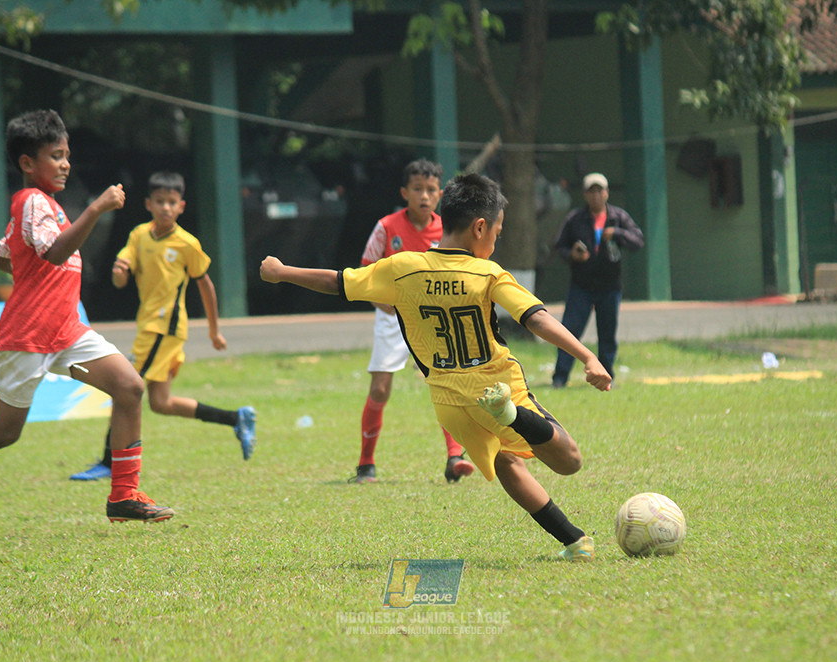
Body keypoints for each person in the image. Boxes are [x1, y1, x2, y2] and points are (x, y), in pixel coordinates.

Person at [260, 173, 612, 561]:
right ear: (480, 228)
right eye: (497, 231)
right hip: (497, 386)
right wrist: (587, 356)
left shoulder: (402, 268)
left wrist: (282, 271)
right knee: (570, 461)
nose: (496, 241)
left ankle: (574, 541)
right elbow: (536, 318)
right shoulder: (488, 273)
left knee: (506, 461)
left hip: (449, 402)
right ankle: (512, 415)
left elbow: (337, 282)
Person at [0, 109, 173, 541]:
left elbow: (6, 255)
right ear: (26, 163)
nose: (65, 163)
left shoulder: (43, 206)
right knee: (3, 432)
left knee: (130, 386)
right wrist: (97, 206)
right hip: (29, 334)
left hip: (66, 329)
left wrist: (23, 259)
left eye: (66, 155)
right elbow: (55, 253)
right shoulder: (32, 201)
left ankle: (124, 495)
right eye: (55, 155)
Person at [70, 171, 256, 481]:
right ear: (148, 204)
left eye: (172, 203)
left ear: (181, 206)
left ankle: (108, 462)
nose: (166, 208)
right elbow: (120, 278)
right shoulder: (139, 236)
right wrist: (119, 271)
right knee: (161, 403)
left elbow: (205, 285)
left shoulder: (187, 244)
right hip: (148, 327)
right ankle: (237, 418)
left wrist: (214, 330)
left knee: (124, 387)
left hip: (164, 330)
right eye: (160, 202)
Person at [351, 158, 474, 485]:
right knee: (379, 390)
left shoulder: (447, 230)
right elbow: (366, 272)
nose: (424, 195)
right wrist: (382, 301)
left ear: (440, 194)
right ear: (405, 192)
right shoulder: (387, 227)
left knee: (444, 383)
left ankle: (454, 458)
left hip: (433, 320)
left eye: (431, 190)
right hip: (393, 319)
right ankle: (366, 464)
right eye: (417, 189)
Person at [551, 172, 644, 388]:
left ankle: (606, 377)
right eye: (591, 191)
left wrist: (616, 234)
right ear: (584, 194)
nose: (596, 195)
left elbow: (638, 240)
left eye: (599, 190)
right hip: (581, 287)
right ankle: (559, 378)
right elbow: (560, 245)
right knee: (569, 333)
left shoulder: (618, 217)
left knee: (607, 335)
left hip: (610, 287)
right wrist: (572, 255)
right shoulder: (575, 218)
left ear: (607, 193)